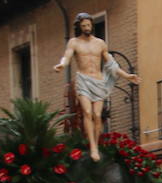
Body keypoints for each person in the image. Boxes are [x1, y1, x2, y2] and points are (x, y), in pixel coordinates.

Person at [54, 13, 141, 161]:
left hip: (98, 81)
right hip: (83, 80)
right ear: (79, 27)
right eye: (84, 26)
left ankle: (97, 144)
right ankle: (93, 147)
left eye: (89, 25)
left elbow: (112, 64)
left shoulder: (100, 43)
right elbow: (67, 56)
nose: (87, 28)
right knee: (87, 112)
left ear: (91, 26)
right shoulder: (74, 42)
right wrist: (62, 64)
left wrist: (127, 75)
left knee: (97, 115)